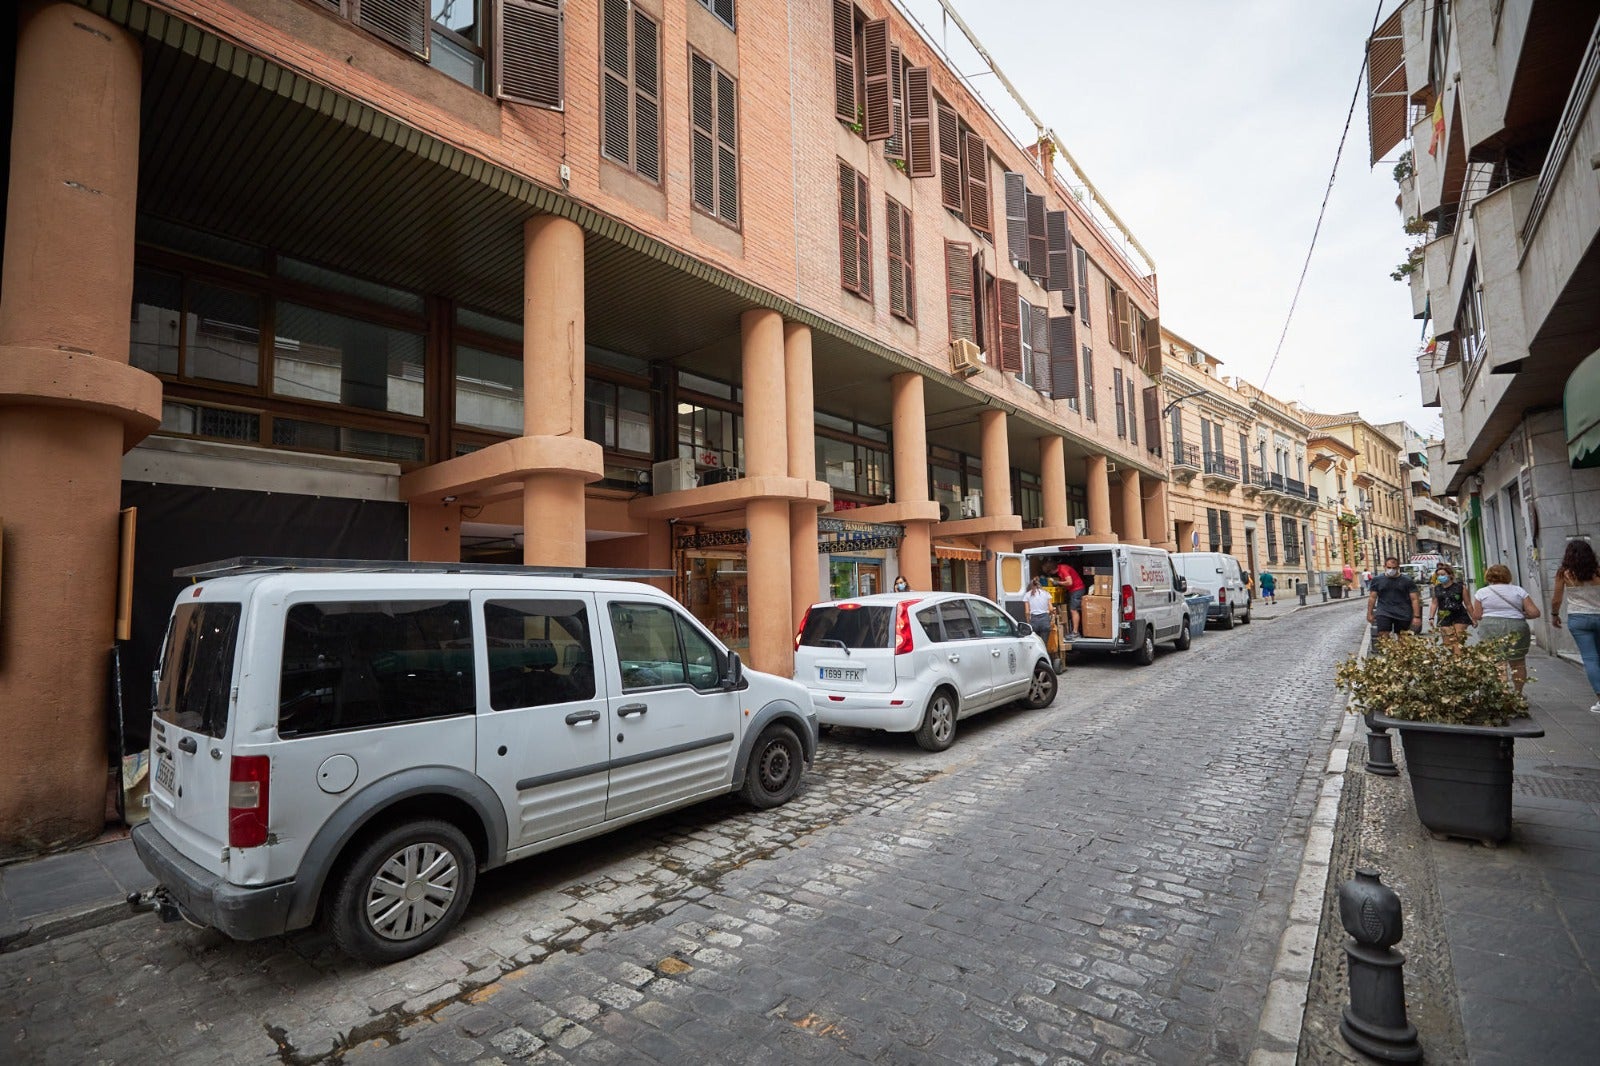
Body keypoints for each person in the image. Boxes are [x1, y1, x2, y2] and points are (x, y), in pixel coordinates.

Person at [1468, 563, 1541, 694]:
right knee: (1518, 662)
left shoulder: (1481, 592)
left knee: (1497, 661)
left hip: (1490, 627)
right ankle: (1518, 694)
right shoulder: (1518, 590)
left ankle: (1503, 694)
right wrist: (1522, 614)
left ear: (1488, 576)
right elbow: (1535, 612)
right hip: (1517, 626)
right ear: (1508, 576)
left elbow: (1477, 615)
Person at [1550, 539, 1600, 713]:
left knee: (1590, 659)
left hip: (1579, 618)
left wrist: (1554, 615)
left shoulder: (1564, 574)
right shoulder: (1598, 572)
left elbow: (1557, 598)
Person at [1367, 556, 1420, 639]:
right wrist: (1369, 613)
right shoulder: (1377, 580)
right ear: (1384, 567)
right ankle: (1385, 651)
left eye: (1394, 568)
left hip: (1403, 612)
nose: (1391, 570)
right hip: (1384, 611)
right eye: (1389, 567)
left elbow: (1414, 599)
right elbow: (1372, 597)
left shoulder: (1407, 581)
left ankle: (1400, 651)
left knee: (1403, 637)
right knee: (1383, 634)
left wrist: (1417, 616)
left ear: (1398, 567)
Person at [1428, 563, 1472, 646]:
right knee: (1447, 644)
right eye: (1438, 575)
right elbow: (1434, 603)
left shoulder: (1460, 587)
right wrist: (1431, 617)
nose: (1440, 577)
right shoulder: (1437, 588)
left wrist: (1473, 618)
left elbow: (1468, 604)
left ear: (1450, 575)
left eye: (1443, 574)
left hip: (1459, 616)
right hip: (1444, 616)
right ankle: (1457, 657)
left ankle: (1458, 658)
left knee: (1456, 640)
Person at [1054, 560, 1084, 636]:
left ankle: (1075, 632)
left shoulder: (1063, 569)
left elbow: (1069, 582)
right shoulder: (1061, 569)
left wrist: (1058, 582)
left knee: (1073, 610)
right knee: (1071, 610)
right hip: (1073, 590)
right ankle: (1074, 631)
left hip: (1077, 589)